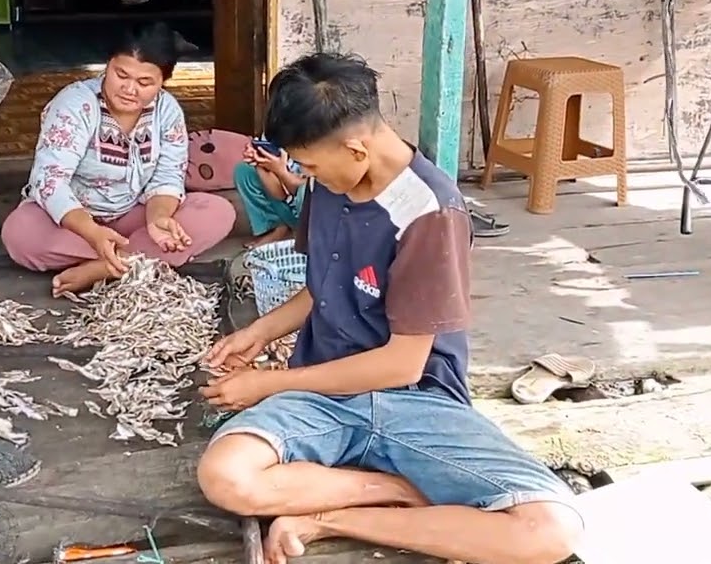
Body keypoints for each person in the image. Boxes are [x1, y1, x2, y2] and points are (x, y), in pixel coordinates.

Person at [195, 53, 583, 564]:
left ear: (356, 146)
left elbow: (402, 364)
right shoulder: (331, 181)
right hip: (324, 391)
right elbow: (320, 288)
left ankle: (330, 515)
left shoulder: (430, 213)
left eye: (308, 164)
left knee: (550, 533)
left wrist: (266, 384)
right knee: (224, 476)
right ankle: (397, 487)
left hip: (414, 402)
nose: (303, 175)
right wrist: (260, 333)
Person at [1, 22, 236, 296]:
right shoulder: (75, 104)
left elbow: (168, 177)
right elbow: (49, 181)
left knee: (217, 212)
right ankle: (135, 260)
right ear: (108, 65)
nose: (129, 89)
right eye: (120, 74)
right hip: (72, 220)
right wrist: (92, 232)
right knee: (21, 234)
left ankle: (104, 267)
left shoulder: (167, 110)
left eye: (144, 82)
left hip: (132, 213)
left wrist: (158, 219)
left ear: (163, 82)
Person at [233, 141, 308, 248]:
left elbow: (304, 190)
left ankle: (310, 236)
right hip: (291, 206)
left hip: (315, 214)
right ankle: (277, 227)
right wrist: (258, 161)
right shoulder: (273, 134)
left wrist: (281, 171)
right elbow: (280, 195)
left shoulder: (320, 140)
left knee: (304, 190)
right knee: (244, 170)